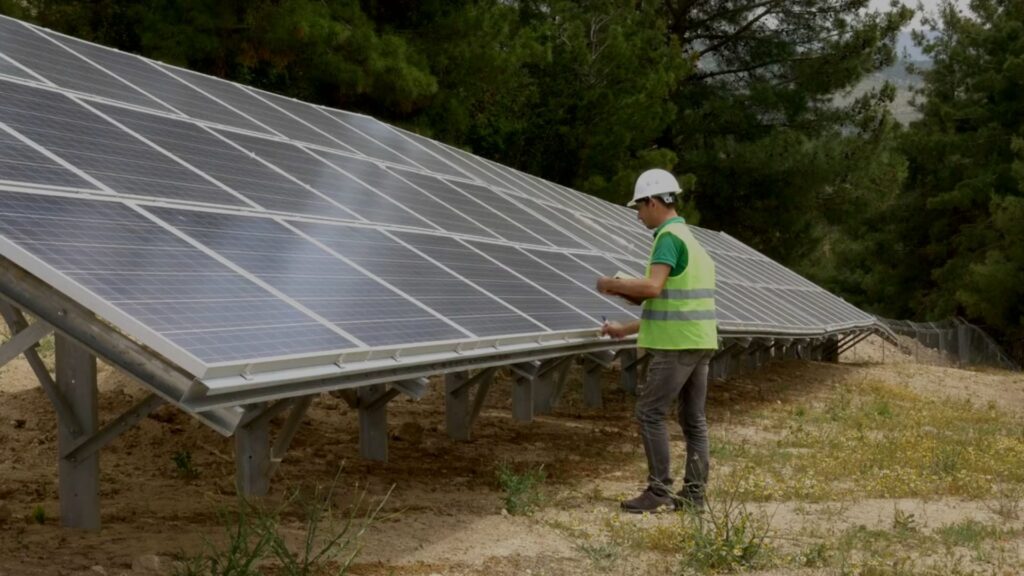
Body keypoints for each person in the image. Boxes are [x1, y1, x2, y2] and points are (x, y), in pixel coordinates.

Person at [596, 168, 719, 514]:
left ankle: (658, 490)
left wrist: (612, 284)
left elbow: (653, 288)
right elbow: (675, 305)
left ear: (653, 202)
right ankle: (694, 495)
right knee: (693, 420)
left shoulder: (667, 237)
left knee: (649, 411)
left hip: (677, 346)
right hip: (700, 341)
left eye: (639, 207)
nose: (638, 216)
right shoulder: (692, 242)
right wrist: (626, 330)